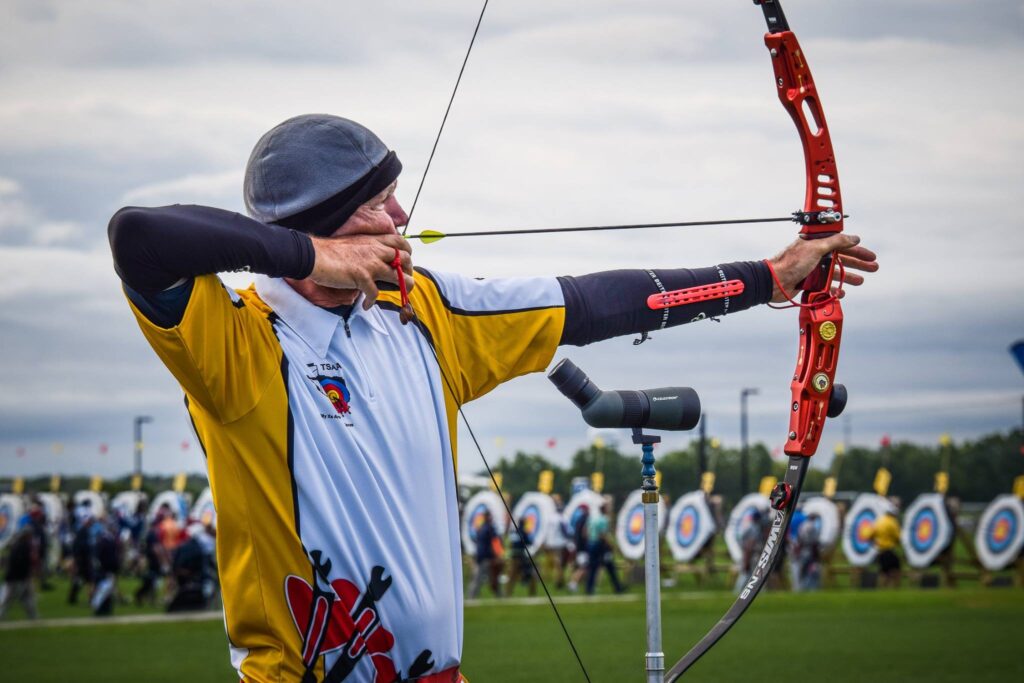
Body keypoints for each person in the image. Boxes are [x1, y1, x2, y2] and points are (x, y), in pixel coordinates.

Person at [107, 113, 876, 681]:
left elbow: (595, 303)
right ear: (325, 224)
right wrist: (309, 256)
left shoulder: (427, 312)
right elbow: (138, 236)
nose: (403, 217)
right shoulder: (239, 344)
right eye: (380, 201)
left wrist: (769, 278)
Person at [0, 524, 40, 620]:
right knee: (15, 597)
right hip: (18, 577)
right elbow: (21, 562)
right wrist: (28, 573)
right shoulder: (24, 546)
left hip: (15, 576)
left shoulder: (17, 545)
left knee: (22, 597)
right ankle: (32, 616)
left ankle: (33, 616)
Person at [584, 502, 624, 595]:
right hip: (600, 545)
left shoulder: (593, 519)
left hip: (591, 544)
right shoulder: (603, 520)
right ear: (604, 510)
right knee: (609, 566)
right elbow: (602, 534)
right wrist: (611, 545)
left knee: (593, 567)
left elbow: (585, 532)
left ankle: (589, 588)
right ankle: (618, 588)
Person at [468, 511, 501, 599]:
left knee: (486, 578)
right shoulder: (489, 528)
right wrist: (498, 555)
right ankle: (471, 596)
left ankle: (499, 595)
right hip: (486, 557)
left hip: (481, 556)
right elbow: (495, 542)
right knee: (484, 578)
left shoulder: (481, 528)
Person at [870, 509, 902, 588]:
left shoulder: (878, 521)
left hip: (880, 550)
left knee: (883, 571)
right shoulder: (892, 522)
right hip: (889, 550)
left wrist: (875, 543)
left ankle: (882, 588)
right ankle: (894, 587)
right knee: (896, 570)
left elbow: (870, 535)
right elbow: (898, 537)